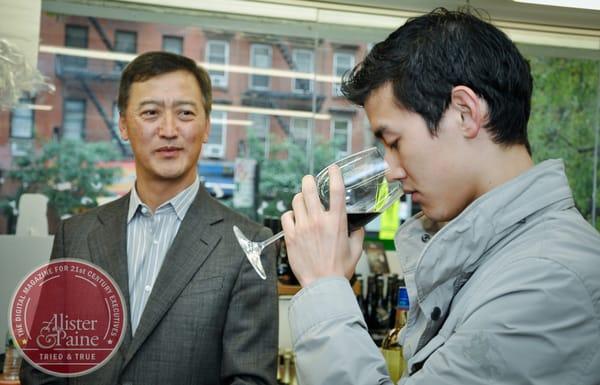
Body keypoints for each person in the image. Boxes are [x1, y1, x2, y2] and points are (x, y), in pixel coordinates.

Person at [281, 8, 600, 385]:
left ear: (465, 113)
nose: (392, 170)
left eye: (395, 142)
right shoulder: (492, 258)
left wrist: (323, 286)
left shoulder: (548, 281)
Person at [21, 52, 278, 385]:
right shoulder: (77, 235)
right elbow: (45, 367)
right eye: (151, 113)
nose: (168, 130)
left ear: (206, 127)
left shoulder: (247, 244)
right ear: (124, 125)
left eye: (185, 113)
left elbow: (250, 379)